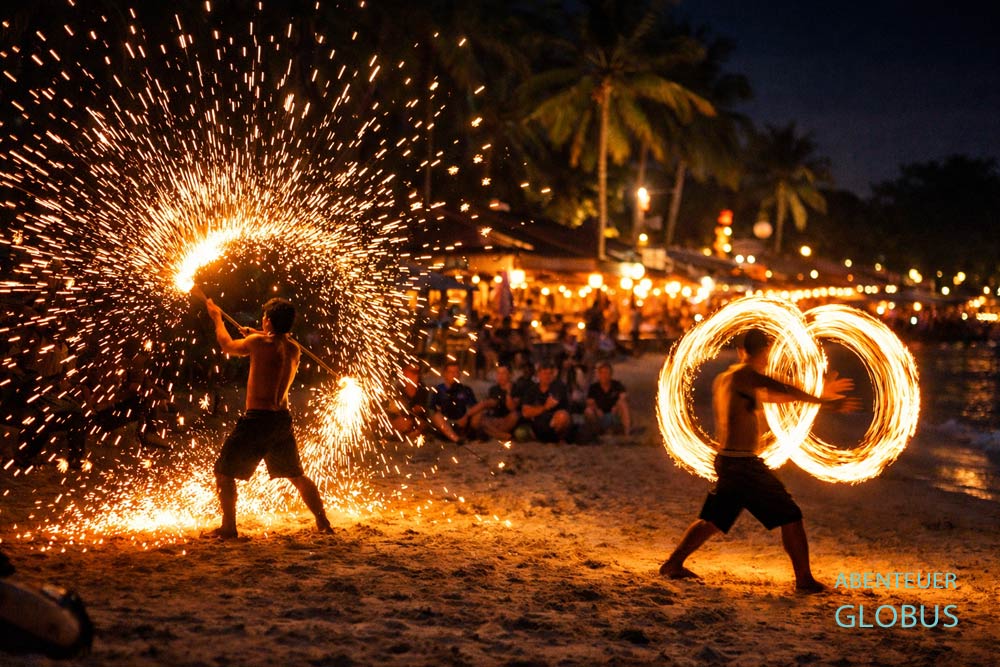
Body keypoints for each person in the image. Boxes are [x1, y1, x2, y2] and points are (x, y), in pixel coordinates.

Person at [659, 329, 859, 593]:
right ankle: (804, 580)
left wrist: (817, 394)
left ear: (742, 351)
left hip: (731, 461)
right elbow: (781, 387)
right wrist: (822, 401)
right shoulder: (746, 376)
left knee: (714, 519)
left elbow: (777, 395)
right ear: (764, 352)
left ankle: (673, 564)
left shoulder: (728, 379)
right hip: (743, 465)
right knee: (790, 514)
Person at [205, 297, 332, 539]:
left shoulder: (258, 343)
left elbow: (227, 345)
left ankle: (229, 528)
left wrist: (217, 319)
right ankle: (323, 522)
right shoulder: (294, 348)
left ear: (269, 321)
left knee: (223, 471)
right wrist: (256, 333)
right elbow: (274, 343)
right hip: (281, 420)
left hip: (257, 421)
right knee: (296, 475)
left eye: (264, 317)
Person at [429, 360, 488, 442]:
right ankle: (456, 439)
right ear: (445, 374)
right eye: (451, 372)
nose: (454, 375)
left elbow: (475, 406)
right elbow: (431, 409)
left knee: (479, 412)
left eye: (456, 372)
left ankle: (471, 435)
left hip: (462, 422)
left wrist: (466, 416)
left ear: (459, 374)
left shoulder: (465, 389)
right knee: (436, 415)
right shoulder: (438, 390)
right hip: (446, 424)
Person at [520, 360, 571, 442]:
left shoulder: (559, 387)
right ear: (538, 374)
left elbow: (554, 403)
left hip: (554, 424)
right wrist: (544, 408)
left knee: (562, 416)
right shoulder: (531, 390)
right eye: (544, 373)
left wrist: (535, 410)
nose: (547, 376)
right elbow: (525, 412)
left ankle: (558, 439)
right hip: (538, 425)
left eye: (550, 373)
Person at [584, 361, 632, 437]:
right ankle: (594, 433)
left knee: (623, 404)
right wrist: (597, 409)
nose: (605, 376)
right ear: (599, 375)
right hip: (599, 416)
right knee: (588, 411)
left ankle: (627, 432)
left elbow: (624, 396)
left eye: (607, 373)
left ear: (611, 374)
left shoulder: (616, 385)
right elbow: (589, 402)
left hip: (614, 414)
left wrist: (616, 406)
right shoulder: (594, 387)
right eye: (603, 373)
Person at [387, 361, 430, 439]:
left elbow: (425, 414)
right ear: (404, 372)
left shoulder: (422, 390)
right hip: (402, 420)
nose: (415, 375)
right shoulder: (397, 389)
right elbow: (391, 411)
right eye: (412, 372)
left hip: (417, 422)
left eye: (417, 372)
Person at [479, 364, 520, 440]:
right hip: (495, 420)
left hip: (508, 420)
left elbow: (511, 408)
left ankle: (493, 433)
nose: (500, 376)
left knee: (515, 415)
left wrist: (508, 392)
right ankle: (500, 435)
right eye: (498, 373)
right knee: (481, 418)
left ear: (510, 375)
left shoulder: (516, 388)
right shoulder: (493, 389)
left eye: (503, 373)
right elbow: (490, 406)